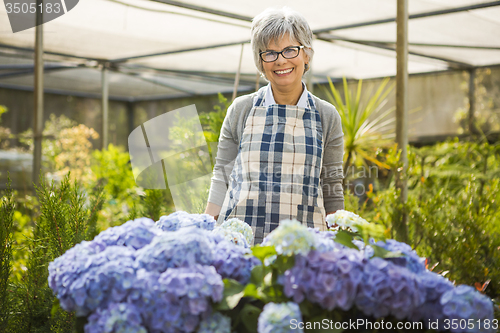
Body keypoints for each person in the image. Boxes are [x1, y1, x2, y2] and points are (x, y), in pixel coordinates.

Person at [205, 7, 344, 244]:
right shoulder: (242, 110)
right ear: (260, 62)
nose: (280, 60)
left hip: (303, 249)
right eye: (269, 53)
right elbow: (222, 176)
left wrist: (342, 242)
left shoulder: (325, 115)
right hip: (241, 244)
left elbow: (332, 185)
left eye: (290, 50)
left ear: (306, 55)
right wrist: (204, 230)